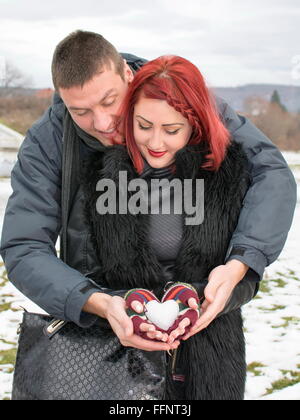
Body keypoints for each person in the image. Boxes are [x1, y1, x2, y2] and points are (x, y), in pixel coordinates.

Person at [0, 31, 296, 358]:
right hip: (98, 336)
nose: (101, 121)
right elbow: (23, 245)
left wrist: (242, 261)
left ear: (127, 74)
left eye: (109, 101)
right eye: (79, 111)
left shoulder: (179, 97)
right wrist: (95, 302)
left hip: (203, 327)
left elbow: (271, 172)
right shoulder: (48, 139)